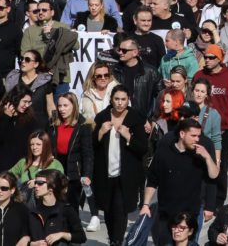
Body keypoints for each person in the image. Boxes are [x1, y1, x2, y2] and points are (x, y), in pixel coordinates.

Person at [140, 118, 219, 246]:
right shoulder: (163, 153)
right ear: (182, 134)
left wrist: (207, 157)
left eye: (199, 136)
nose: (197, 139)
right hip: (167, 215)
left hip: (190, 216)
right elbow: (152, 181)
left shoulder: (200, 154)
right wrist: (145, 205)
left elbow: (214, 175)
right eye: (193, 136)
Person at [92, 85, 148, 246]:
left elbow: (142, 148)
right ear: (111, 99)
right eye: (116, 99)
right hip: (105, 172)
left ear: (128, 100)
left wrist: (128, 137)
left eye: (123, 99)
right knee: (108, 210)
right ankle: (113, 239)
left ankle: (117, 241)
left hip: (126, 174)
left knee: (120, 209)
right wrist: (101, 133)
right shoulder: (102, 117)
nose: (120, 103)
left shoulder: (136, 118)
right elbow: (91, 145)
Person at [192, 44, 228, 207]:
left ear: (219, 59)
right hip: (200, 127)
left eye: (211, 57)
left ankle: (218, 201)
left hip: (223, 128)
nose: (207, 60)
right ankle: (200, 198)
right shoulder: (199, 75)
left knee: (220, 164)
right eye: (205, 57)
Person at [47, 93, 97, 232]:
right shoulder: (53, 122)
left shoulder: (83, 125)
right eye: (60, 105)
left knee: (71, 204)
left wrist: (87, 175)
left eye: (65, 105)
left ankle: (73, 233)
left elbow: (87, 154)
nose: (62, 109)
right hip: (56, 166)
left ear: (74, 106)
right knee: (55, 201)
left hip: (74, 170)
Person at [29, 169, 87, 246]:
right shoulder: (33, 211)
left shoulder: (66, 209)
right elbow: (23, 239)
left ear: (52, 187)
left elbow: (81, 237)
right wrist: (33, 244)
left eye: (40, 183)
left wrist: (62, 235)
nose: (35, 186)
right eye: (35, 183)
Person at [0, 171, 33, 246]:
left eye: (4, 188)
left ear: (12, 190)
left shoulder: (22, 210)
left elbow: (30, 232)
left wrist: (27, 238)